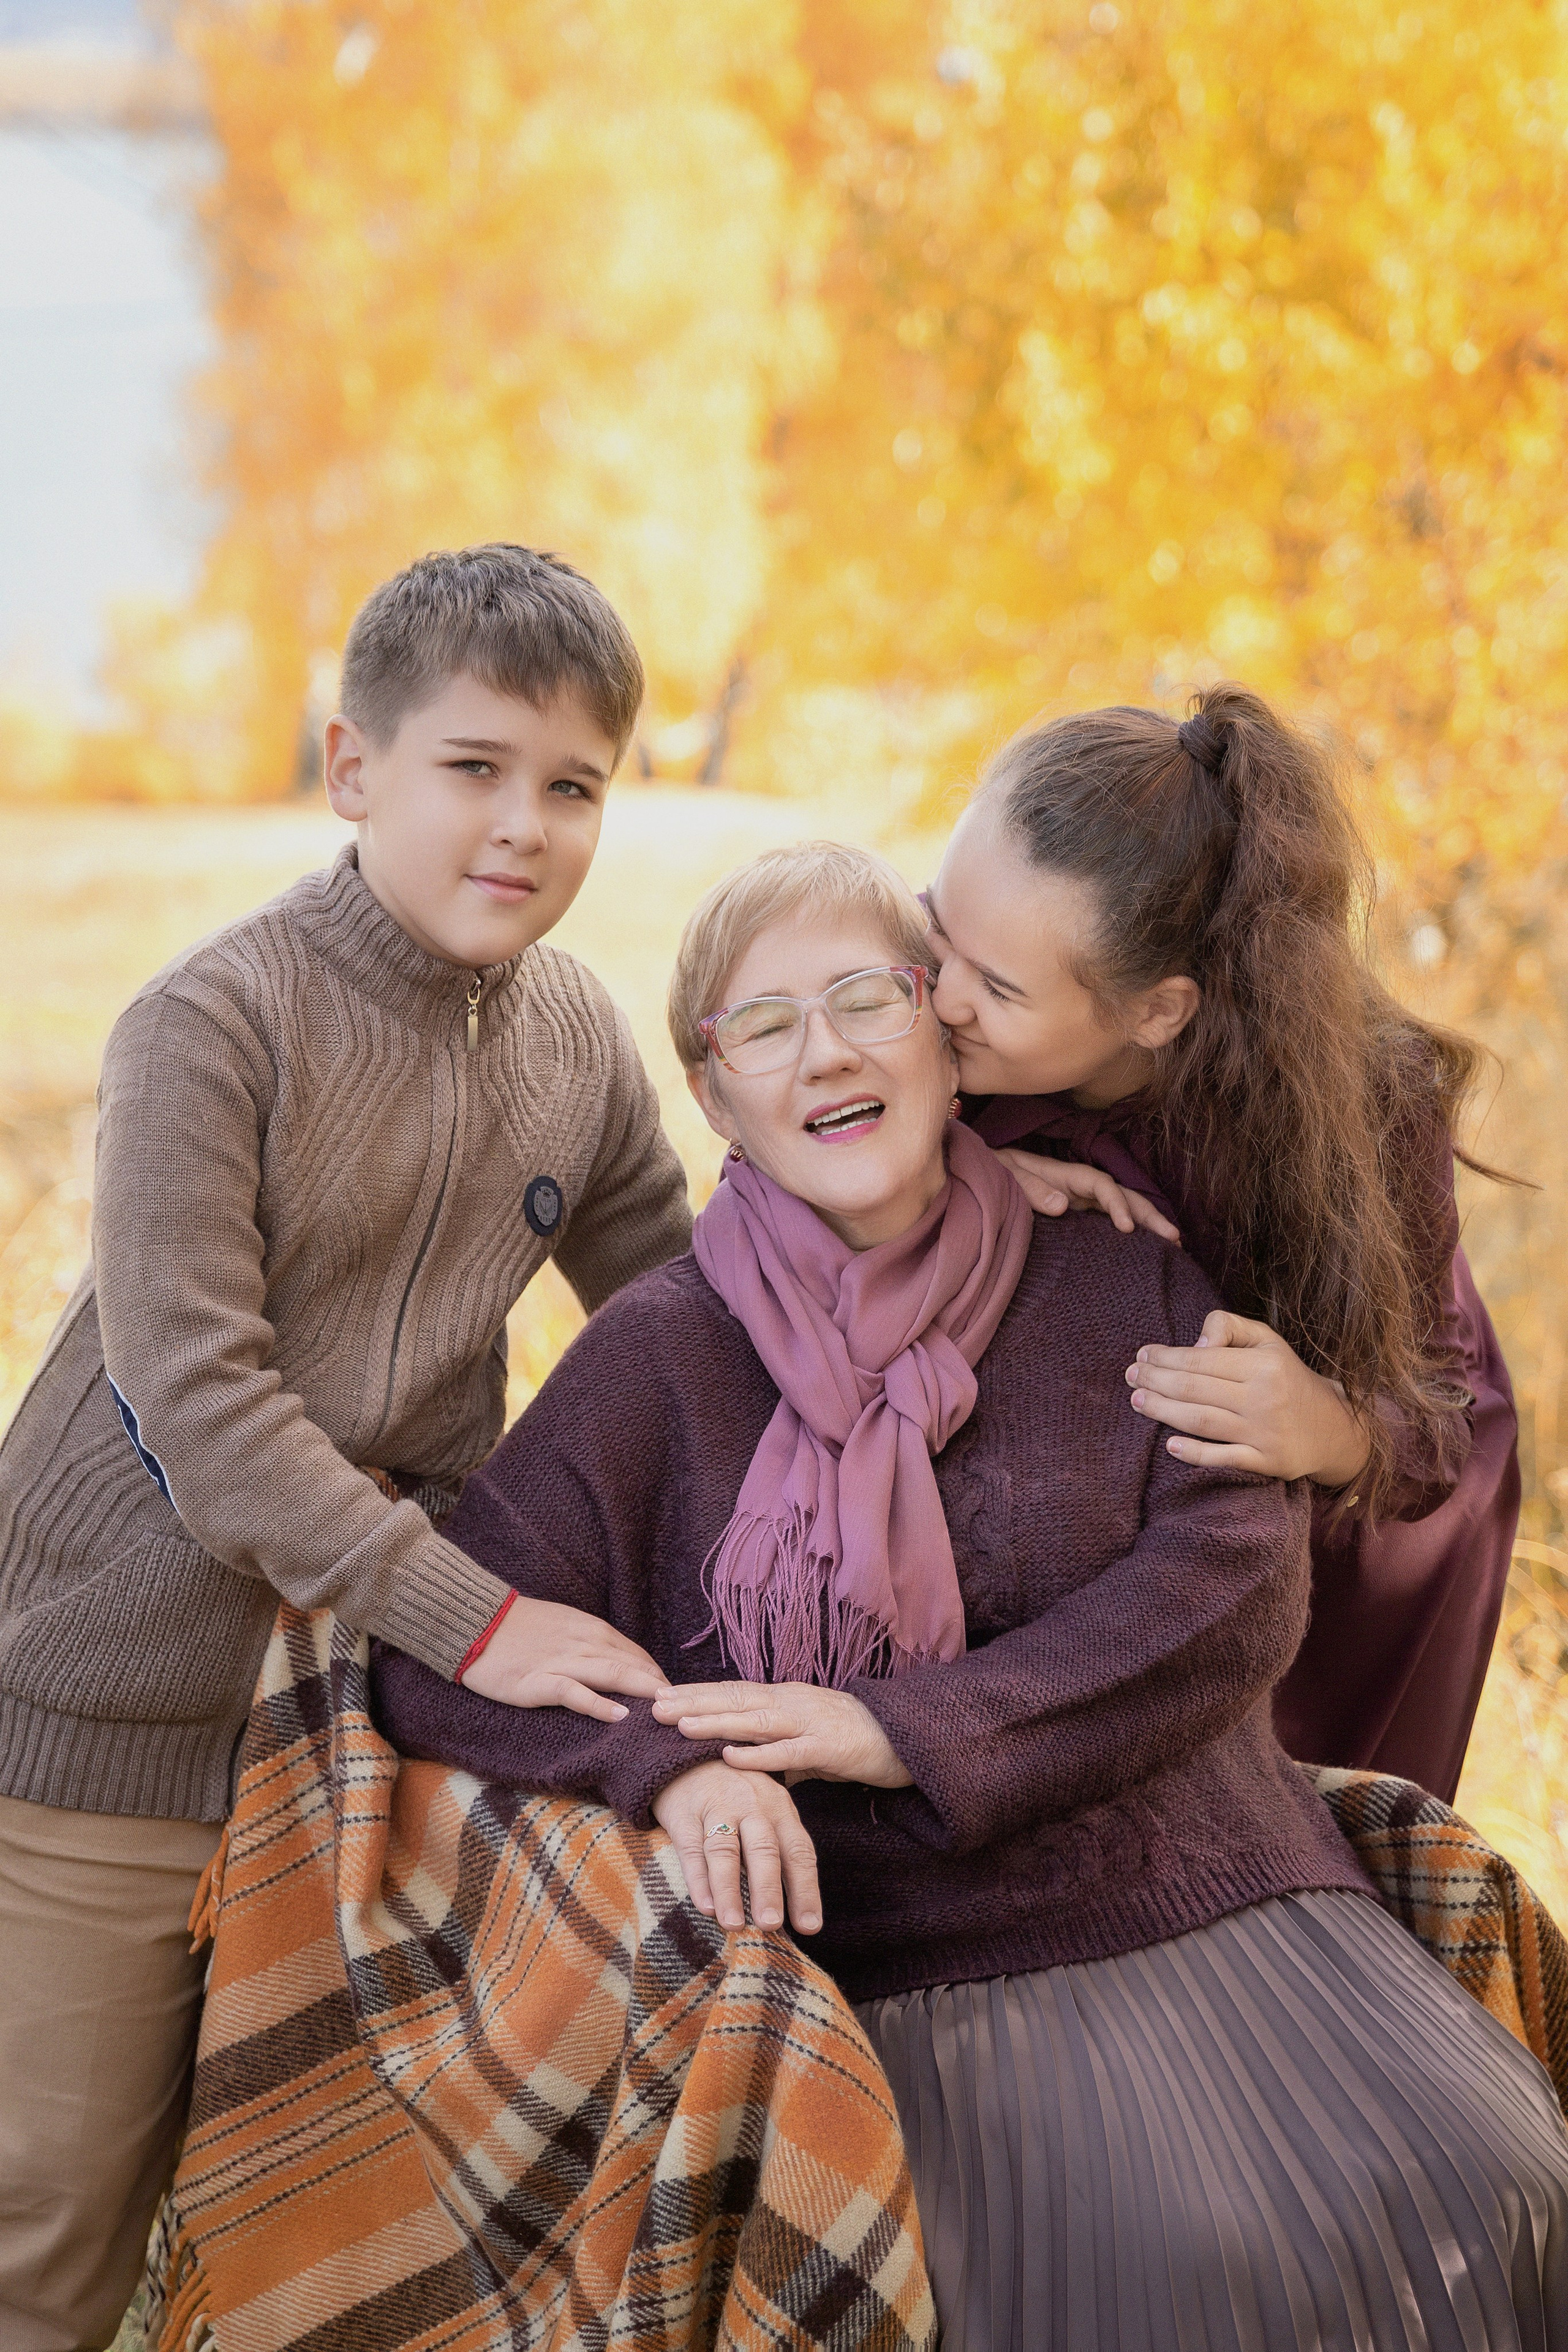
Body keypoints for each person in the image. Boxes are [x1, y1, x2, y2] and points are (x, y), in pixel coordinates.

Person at [375, 841, 1568, 2352]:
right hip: (917, 1975)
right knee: (1157, 2274)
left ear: (945, 1043)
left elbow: (1230, 1593)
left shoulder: (1118, 1273)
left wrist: (901, 1728)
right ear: (714, 1092)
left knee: (1495, 2179)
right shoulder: (655, 1361)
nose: (824, 1052)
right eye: (764, 1026)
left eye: (866, 997)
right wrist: (664, 1772)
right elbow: (445, 1655)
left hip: (1224, 1895)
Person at [0, 544, 691, 2351]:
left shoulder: (577, 1041)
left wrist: (973, 1208)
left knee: (344, 2233)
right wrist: (475, 1617)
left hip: (365, 1738)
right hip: (116, 1719)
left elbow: (702, 1320)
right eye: (473, 767)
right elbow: (205, 1418)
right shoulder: (210, 1027)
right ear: (353, 769)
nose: (523, 824)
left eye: (573, 786)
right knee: (53, 2232)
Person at [921, 684, 1520, 1803]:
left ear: (1157, 1011)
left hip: (1363, 1503)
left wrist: (1326, 1426)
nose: (940, 998)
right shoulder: (936, 1014)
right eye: (937, 930)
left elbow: (1436, 1418)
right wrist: (942, 1173)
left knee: (1270, 1814)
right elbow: (767, 1175)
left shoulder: (1360, 1105)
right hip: (1066, 1515)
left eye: (996, 988)